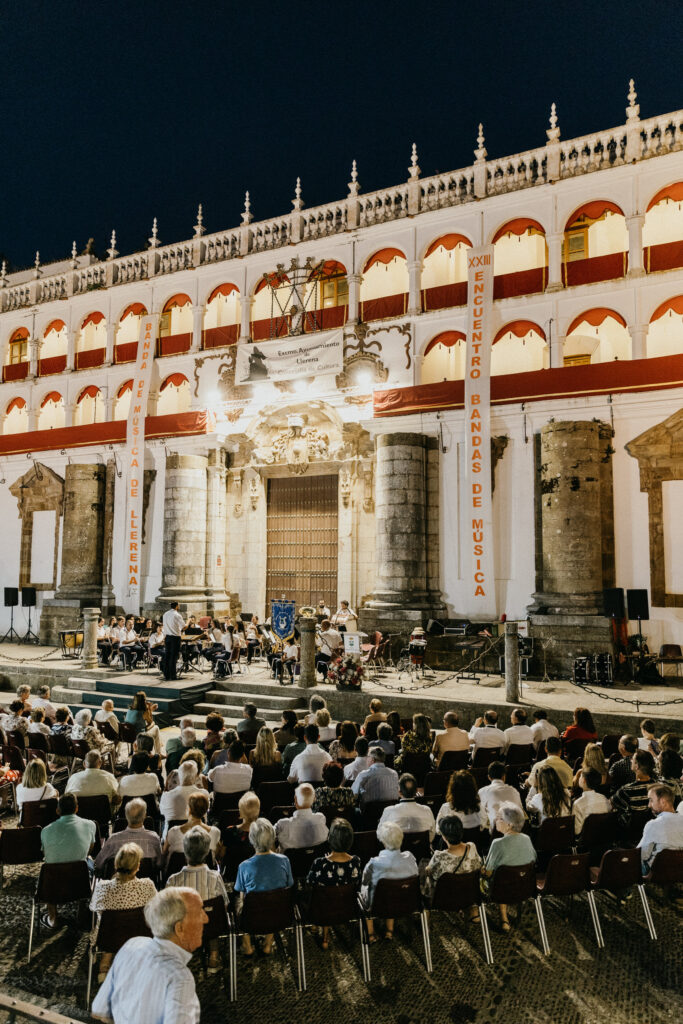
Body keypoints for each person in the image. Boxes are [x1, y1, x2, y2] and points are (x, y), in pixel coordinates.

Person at [92, 887, 207, 1024]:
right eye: (199, 912)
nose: (206, 919)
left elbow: (102, 1012)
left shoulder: (131, 945)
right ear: (179, 929)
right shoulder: (179, 977)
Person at [91, 842, 157, 981]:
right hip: (140, 937)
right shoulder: (147, 885)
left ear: (116, 865)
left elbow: (94, 909)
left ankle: (104, 965)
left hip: (109, 938)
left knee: (110, 924)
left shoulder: (103, 887)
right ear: (138, 866)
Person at [166, 828, 227, 971]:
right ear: (207, 852)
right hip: (212, 926)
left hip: (185, 928)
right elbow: (223, 904)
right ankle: (213, 955)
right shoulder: (215, 877)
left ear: (185, 853)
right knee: (212, 914)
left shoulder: (174, 880)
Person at [234, 818, 294, 955]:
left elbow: (240, 892)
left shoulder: (244, 866)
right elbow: (289, 885)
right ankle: (268, 943)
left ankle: (247, 945)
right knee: (274, 897)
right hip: (279, 915)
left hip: (251, 919)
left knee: (240, 899)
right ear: (273, 838)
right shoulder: (284, 860)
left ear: (252, 840)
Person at [40, 794, 96, 927]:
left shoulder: (45, 831)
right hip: (80, 881)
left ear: (58, 811)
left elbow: (45, 853)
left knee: (48, 869)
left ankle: (53, 918)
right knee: (88, 862)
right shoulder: (90, 825)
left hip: (53, 884)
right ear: (77, 809)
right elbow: (90, 849)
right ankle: (82, 912)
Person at [306, 818, 362, 948]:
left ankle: (325, 935)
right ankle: (326, 934)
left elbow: (309, 883)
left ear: (330, 838)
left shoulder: (320, 863)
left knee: (324, 895)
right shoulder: (356, 861)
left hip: (321, 911)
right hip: (347, 909)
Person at [483, 803, 536, 932]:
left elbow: (488, 873)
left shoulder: (497, 844)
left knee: (498, 875)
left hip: (499, 891)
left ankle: (501, 918)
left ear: (510, 824)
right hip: (524, 887)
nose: (496, 820)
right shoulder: (527, 839)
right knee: (506, 874)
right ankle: (505, 917)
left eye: (500, 818)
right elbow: (533, 859)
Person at [362, 821, 418, 939]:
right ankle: (389, 930)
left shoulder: (374, 862)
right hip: (406, 901)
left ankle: (371, 934)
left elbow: (364, 881)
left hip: (379, 905)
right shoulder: (410, 857)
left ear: (383, 841)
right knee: (393, 887)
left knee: (367, 887)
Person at [423, 814, 482, 915]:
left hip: (445, 899)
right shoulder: (472, 847)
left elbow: (429, 872)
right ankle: (473, 911)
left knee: (423, 865)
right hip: (470, 895)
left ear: (444, 837)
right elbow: (479, 864)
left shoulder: (439, 856)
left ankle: (426, 916)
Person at [95, 797, 163, 871]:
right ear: (144, 816)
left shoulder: (112, 840)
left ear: (126, 816)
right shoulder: (154, 838)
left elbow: (98, 864)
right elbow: (159, 864)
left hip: (118, 881)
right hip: (147, 880)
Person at [164, 792, 223, 860]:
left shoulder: (173, 831)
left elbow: (163, 856)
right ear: (206, 810)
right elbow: (218, 856)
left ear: (189, 809)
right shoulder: (215, 832)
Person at [639, 784, 683, 874]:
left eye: (651, 800)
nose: (649, 805)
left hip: (659, 874)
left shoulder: (653, 825)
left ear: (663, 801)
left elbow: (641, 855)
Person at [378, 773, 436, 840]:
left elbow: (380, 835)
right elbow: (431, 836)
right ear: (416, 791)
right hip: (422, 850)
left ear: (399, 792)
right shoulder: (427, 810)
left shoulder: (388, 811)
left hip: (397, 850)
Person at [275, 782, 329, 850]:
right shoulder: (321, 818)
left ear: (295, 800)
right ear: (314, 799)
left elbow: (266, 838)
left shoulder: (282, 824)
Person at [612, 749, 657, 828]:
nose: (631, 760)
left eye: (633, 759)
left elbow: (612, 803)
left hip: (632, 833)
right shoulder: (658, 787)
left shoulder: (627, 790)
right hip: (653, 829)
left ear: (637, 766)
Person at [478, 762, 524, 832]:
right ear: (504, 776)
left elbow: (481, 817)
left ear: (489, 777)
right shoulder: (514, 791)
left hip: (497, 833)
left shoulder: (482, 791)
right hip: (515, 831)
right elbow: (520, 811)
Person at [436, 769, 485, 834]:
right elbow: (484, 827)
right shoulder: (480, 808)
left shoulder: (446, 808)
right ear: (472, 789)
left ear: (452, 790)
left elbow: (438, 831)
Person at [221, 791, 260, 870]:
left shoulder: (230, 831)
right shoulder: (263, 833)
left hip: (232, 876)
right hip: (255, 876)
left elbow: (221, 855)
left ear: (241, 811)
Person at [160, 762, 203, 826]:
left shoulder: (167, 795)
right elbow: (204, 816)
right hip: (197, 830)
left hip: (173, 832)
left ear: (179, 775)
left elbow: (162, 813)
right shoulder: (203, 794)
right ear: (195, 776)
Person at [573, 768, 612, 836]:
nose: (579, 778)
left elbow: (577, 831)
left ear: (584, 780)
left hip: (585, 842)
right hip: (603, 838)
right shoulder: (604, 798)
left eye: (580, 776)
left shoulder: (578, 804)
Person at [124, 691, 161, 755]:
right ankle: (158, 753)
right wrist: (149, 709)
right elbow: (150, 721)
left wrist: (149, 710)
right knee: (156, 727)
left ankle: (159, 748)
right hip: (139, 735)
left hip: (129, 734)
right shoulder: (143, 711)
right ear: (144, 701)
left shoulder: (129, 710)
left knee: (153, 727)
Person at [161, 601, 185, 681]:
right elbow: (183, 627)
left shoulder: (165, 614)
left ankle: (166, 675)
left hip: (167, 637)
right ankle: (173, 675)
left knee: (167, 656)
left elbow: (164, 626)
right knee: (173, 657)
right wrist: (188, 622)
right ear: (177, 606)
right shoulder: (177, 615)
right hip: (175, 638)